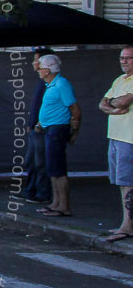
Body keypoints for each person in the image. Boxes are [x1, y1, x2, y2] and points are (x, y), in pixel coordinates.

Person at [35, 53, 80, 217]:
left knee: (58, 169)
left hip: (57, 130)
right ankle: (56, 202)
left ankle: (64, 205)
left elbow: (75, 109)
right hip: (50, 129)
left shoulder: (61, 84)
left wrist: (74, 132)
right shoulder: (52, 85)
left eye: (40, 68)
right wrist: (41, 123)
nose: (38, 71)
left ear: (47, 70)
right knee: (52, 168)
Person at [99, 45, 133, 242]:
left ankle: (127, 226)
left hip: (129, 137)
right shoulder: (119, 80)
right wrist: (113, 107)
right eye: (122, 58)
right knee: (121, 182)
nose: (124, 61)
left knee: (128, 182)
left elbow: (123, 101)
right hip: (115, 136)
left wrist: (113, 103)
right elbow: (102, 103)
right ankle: (126, 224)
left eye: (129, 58)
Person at [21, 47, 54, 204]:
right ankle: (31, 189)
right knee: (31, 161)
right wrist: (31, 123)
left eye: (36, 60)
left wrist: (39, 123)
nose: (34, 63)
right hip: (35, 127)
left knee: (40, 162)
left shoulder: (51, 84)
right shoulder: (41, 82)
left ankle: (43, 193)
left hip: (41, 127)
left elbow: (47, 106)